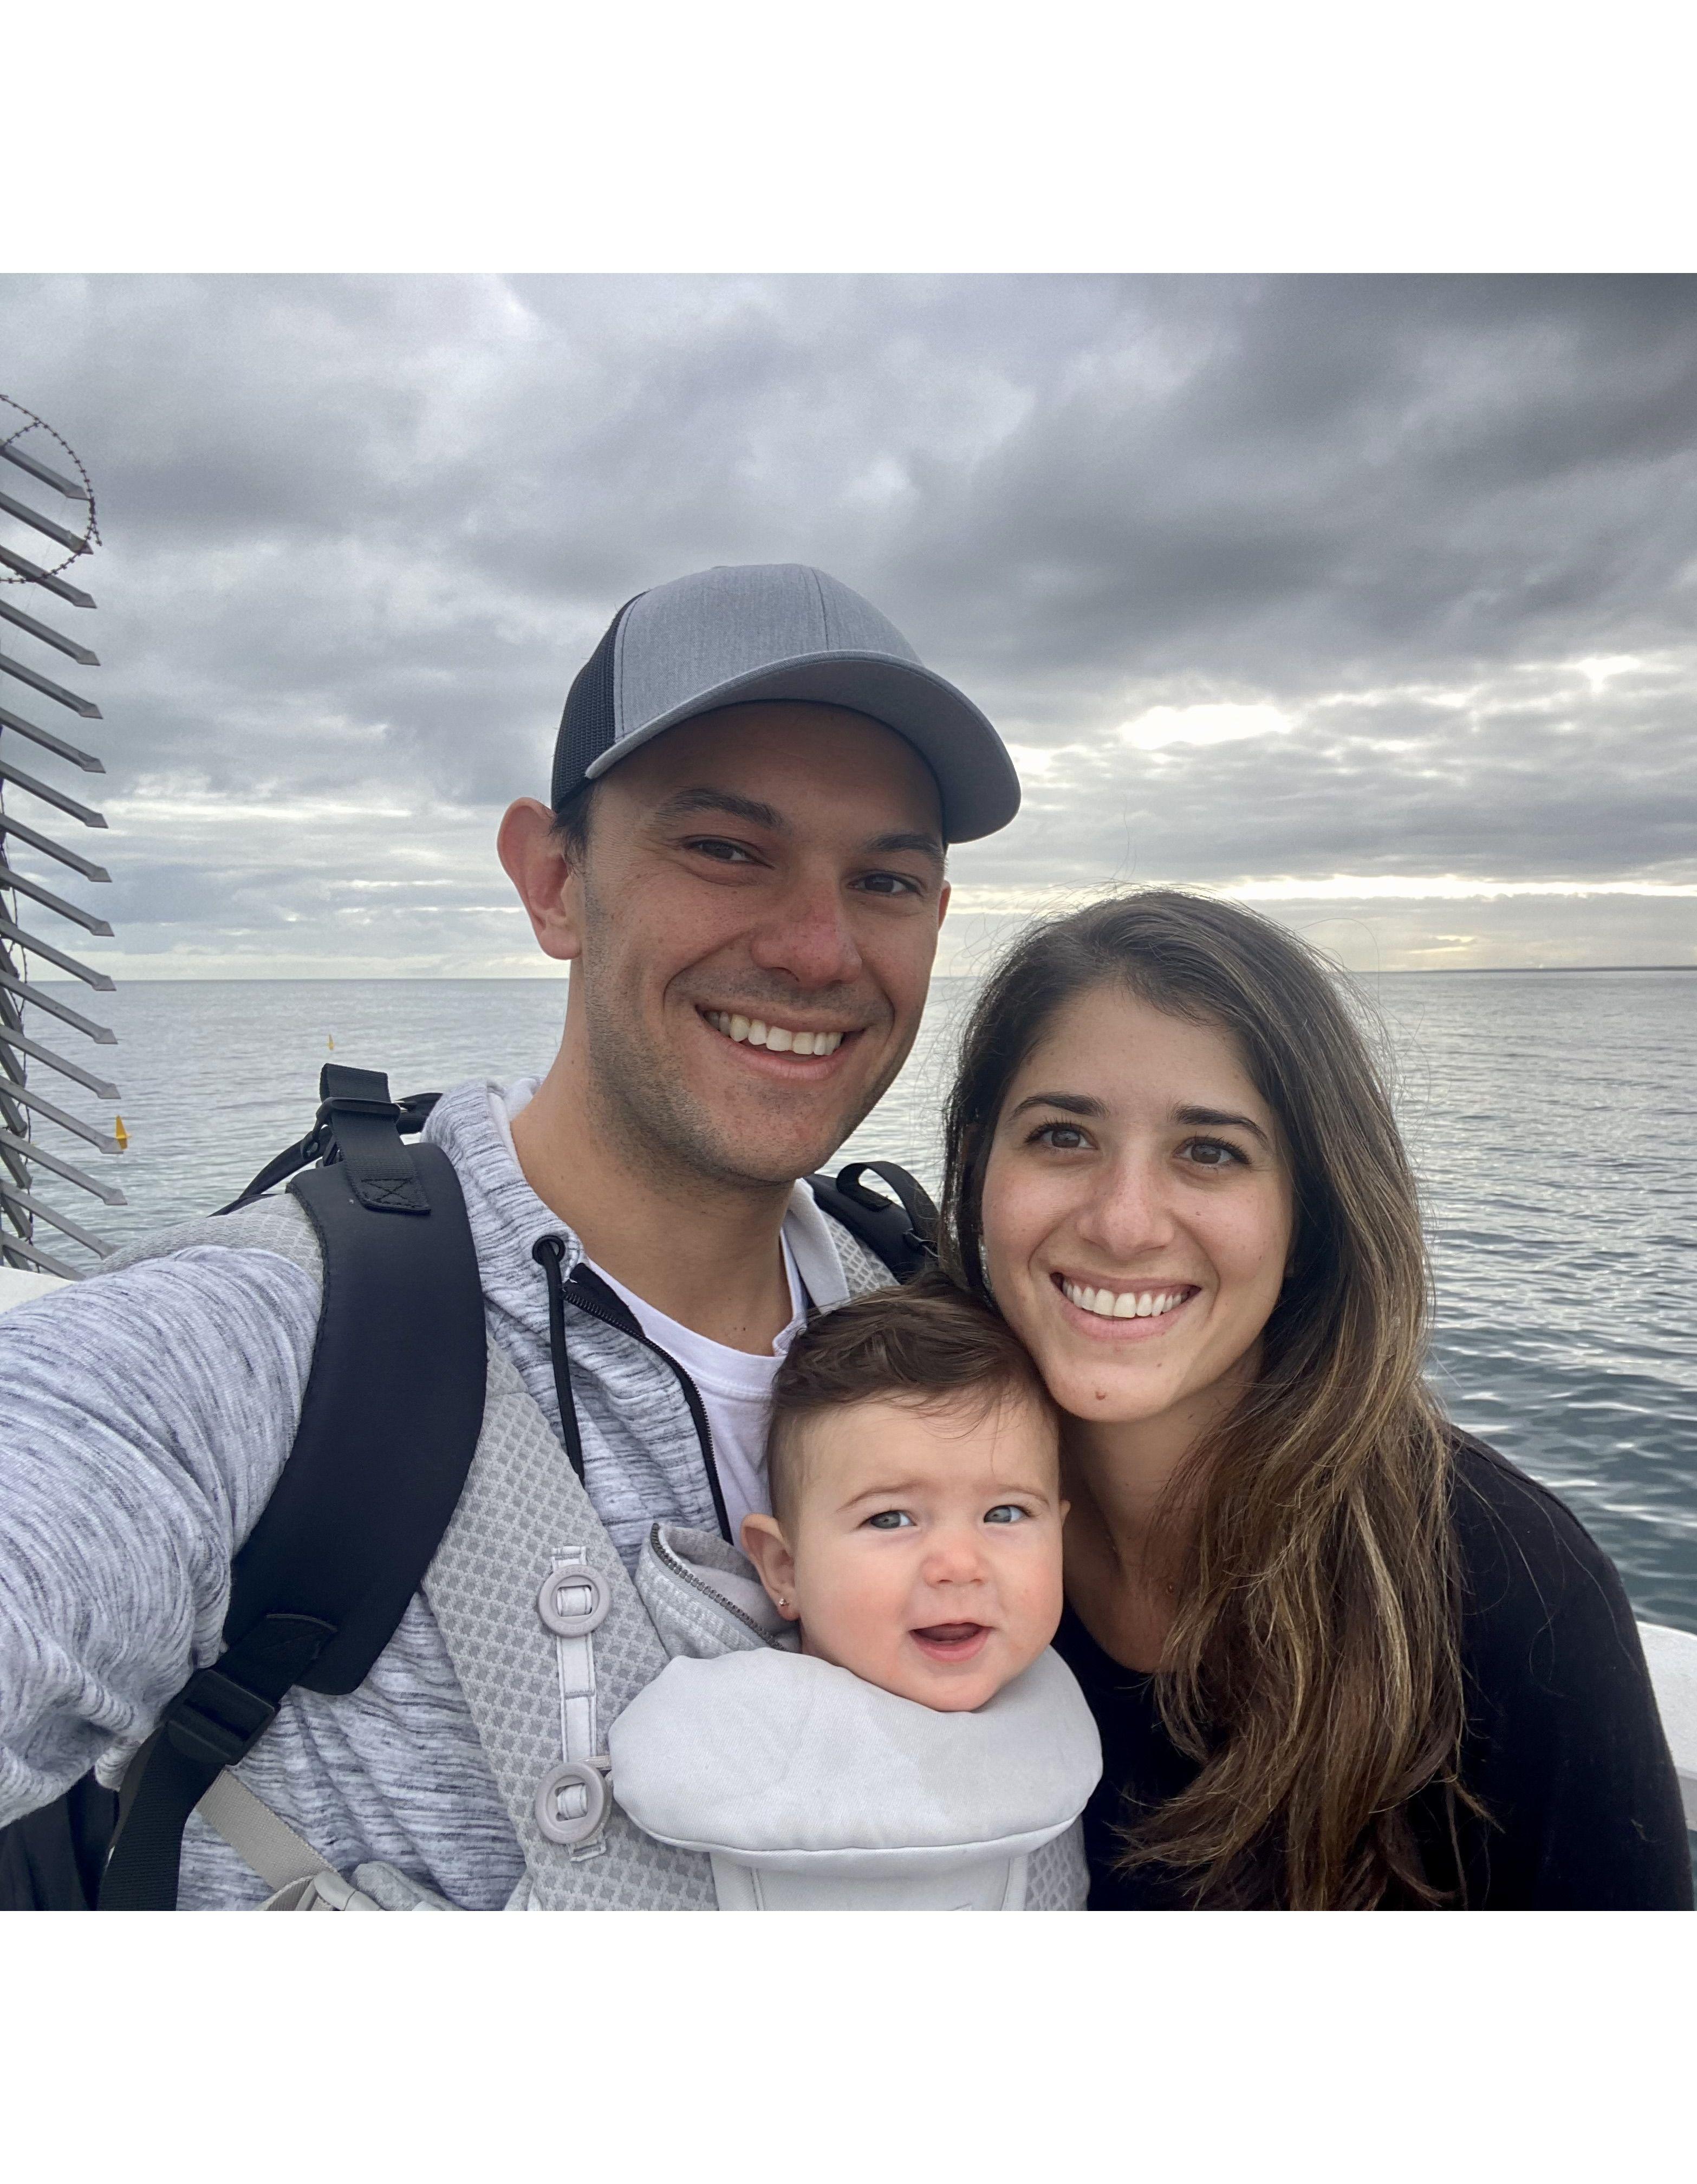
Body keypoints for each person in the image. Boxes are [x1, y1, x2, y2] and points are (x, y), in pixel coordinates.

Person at [0, 562, 1020, 1910]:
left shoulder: (940, 1318)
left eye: (885, 880)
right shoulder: (287, 1344)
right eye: (727, 849)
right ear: (553, 881)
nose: (821, 949)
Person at [940, 889, 1694, 1910]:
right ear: (982, 1161)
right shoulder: (905, 1513)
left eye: (1209, 1151)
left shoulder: (1504, 1592)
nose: (1123, 1222)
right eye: (1063, 1135)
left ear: (1312, 1217)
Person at [608, 1279, 1100, 1909]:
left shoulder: (1063, 1710)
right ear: (785, 1569)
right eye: (891, 1519)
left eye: (1005, 1514)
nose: (958, 1566)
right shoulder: (722, 1744)